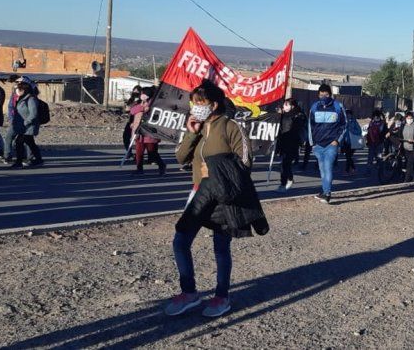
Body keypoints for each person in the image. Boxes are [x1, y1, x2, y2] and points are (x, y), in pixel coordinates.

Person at [168, 82, 267, 318]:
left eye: (200, 103)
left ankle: (222, 296)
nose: (196, 107)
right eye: (194, 103)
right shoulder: (198, 127)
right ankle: (189, 293)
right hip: (199, 193)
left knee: (220, 248)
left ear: (213, 104)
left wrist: (213, 169)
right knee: (180, 240)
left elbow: (244, 163)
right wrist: (191, 133)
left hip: (223, 196)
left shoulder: (232, 126)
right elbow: (181, 157)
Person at [308, 84, 347, 204]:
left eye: (326, 94)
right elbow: (310, 125)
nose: (323, 96)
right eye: (321, 94)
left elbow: (344, 125)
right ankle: (324, 191)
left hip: (331, 144)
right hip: (318, 145)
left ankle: (327, 193)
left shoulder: (338, 106)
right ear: (318, 94)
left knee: (328, 168)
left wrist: (337, 140)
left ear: (330, 94)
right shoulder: (315, 107)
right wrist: (312, 143)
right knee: (322, 169)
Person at [130, 87, 166, 175]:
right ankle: (139, 169)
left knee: (152, 152)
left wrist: (148, 108)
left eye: (143, 93)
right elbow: (132, 111)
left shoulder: (155, 105)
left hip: (149, 133)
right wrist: (142, 107)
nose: (141, 95)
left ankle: (162, 165)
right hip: (139, 132)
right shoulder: (140, 103)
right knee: (139, 152)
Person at [9, 81, 43, 168]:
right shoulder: (21, 98)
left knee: (19, 142)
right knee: (30, 142)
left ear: (24, 90)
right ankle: (39, 160)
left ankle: (19, 162)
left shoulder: (31, 99)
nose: (17, 91)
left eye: (19, 89)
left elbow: (33, 114)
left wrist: (25, 122)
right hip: (22, 126)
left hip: (28, 126)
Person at [276, 98, 305, 191]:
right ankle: (290, 178)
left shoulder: (298, 115)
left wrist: (283, 116)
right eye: (284, 105)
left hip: (292, 143)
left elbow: (295, 128)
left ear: (292, 106)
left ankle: (283, 184)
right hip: (283, 142)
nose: (284, 107)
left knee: (285, 163)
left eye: (286, 105)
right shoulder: (283, 115)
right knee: (285, 164)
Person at [365, 110, 387, 174]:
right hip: (375, 143)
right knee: (373, 158)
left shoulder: (373, 123)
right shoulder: (376, 123)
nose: (376, 118)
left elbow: (384, 132)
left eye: (377, 116)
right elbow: (369, 133)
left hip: (377, 143)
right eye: (375, 116)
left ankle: (376, 170)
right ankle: (374, 170)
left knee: (374, 158)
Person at [341, 109, 361, 176]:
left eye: (349, 114)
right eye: (346, 114)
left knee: (348, 157)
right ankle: (353, 169)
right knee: (348, 157)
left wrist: (351, 130)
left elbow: (359, 131)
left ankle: (347, 171)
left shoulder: (354, 122)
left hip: (353, 142)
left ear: (351, 115)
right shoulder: (343, 122)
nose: (347, 116)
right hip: (345, 142)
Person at [123, 85, 142, 155]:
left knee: (138, 139)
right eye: (134, 92)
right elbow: (127, 110)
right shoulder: (131, 100)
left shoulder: (141, 101)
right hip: (130, 121)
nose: (135, 94)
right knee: (125, 137)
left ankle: (139, 154)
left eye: (137, 92)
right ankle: (129, 152)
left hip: (137, 121)